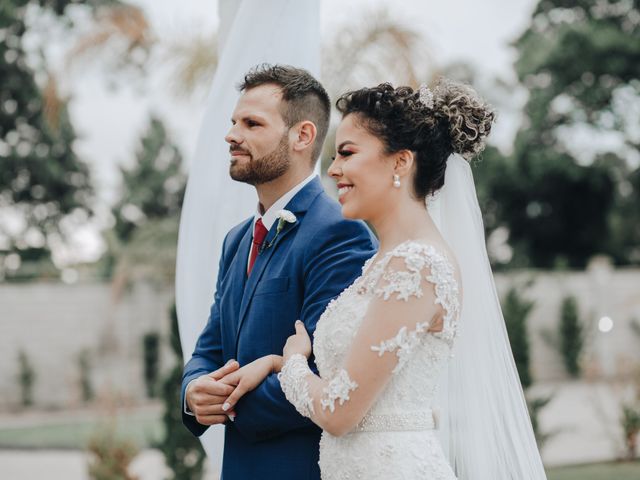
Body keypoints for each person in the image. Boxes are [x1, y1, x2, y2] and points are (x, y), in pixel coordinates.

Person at [216, 80, 548, 479]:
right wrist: (273, 362)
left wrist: (290, 364)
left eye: (347, 153)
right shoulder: (384, 263)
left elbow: (338, 412)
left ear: (400, 163)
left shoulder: (417, 266)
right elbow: (356, 372)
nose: (334, 169)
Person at [181, 64, 377, 480]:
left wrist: (228, 403)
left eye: (252, 124)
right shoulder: (236, 241)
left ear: (302, 136)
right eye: (234, 122)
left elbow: (332, 374)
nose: (232, 135)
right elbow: (210, 349)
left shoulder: (340, 232)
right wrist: (194, 391)